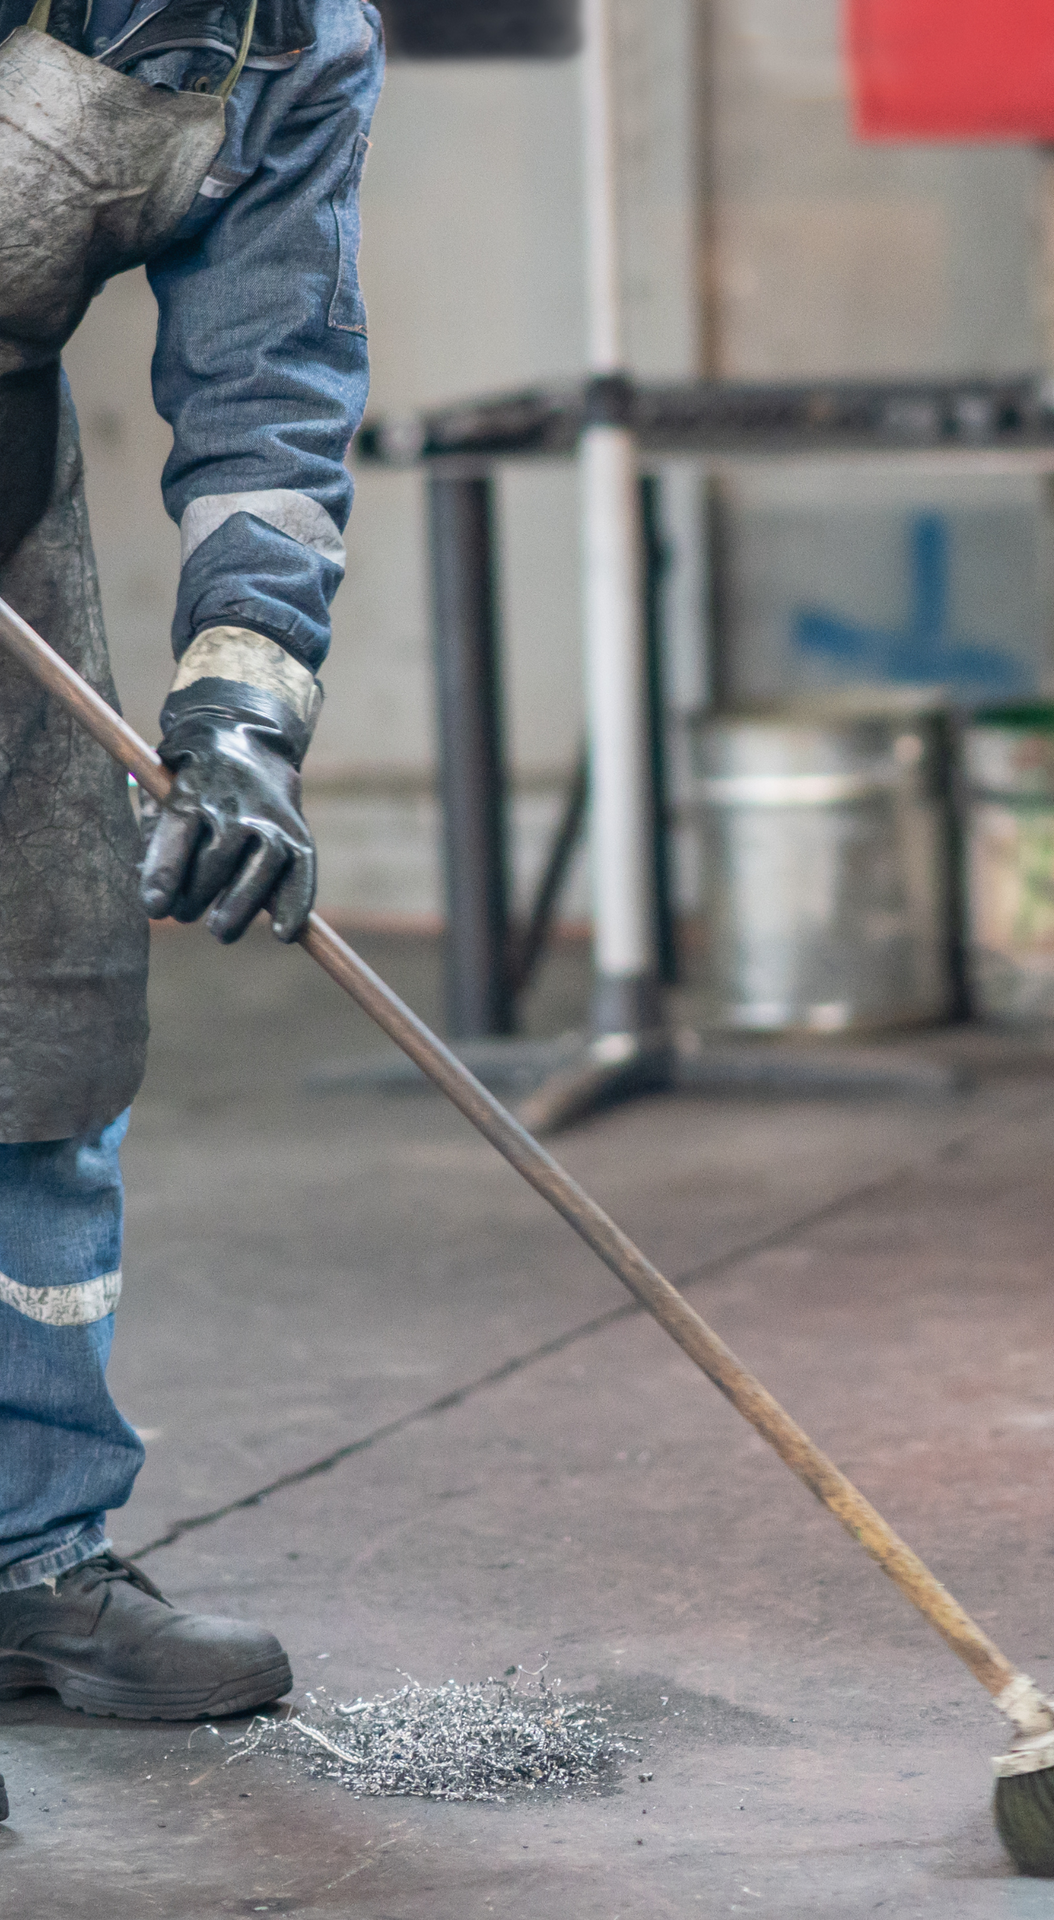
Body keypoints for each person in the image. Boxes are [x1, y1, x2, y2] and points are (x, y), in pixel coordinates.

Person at [0, 0, 383, 1772]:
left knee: (44, 1015)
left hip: (4, 502)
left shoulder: (294, 44)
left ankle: (27, 1552)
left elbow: (269, 400)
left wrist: (241, 716)